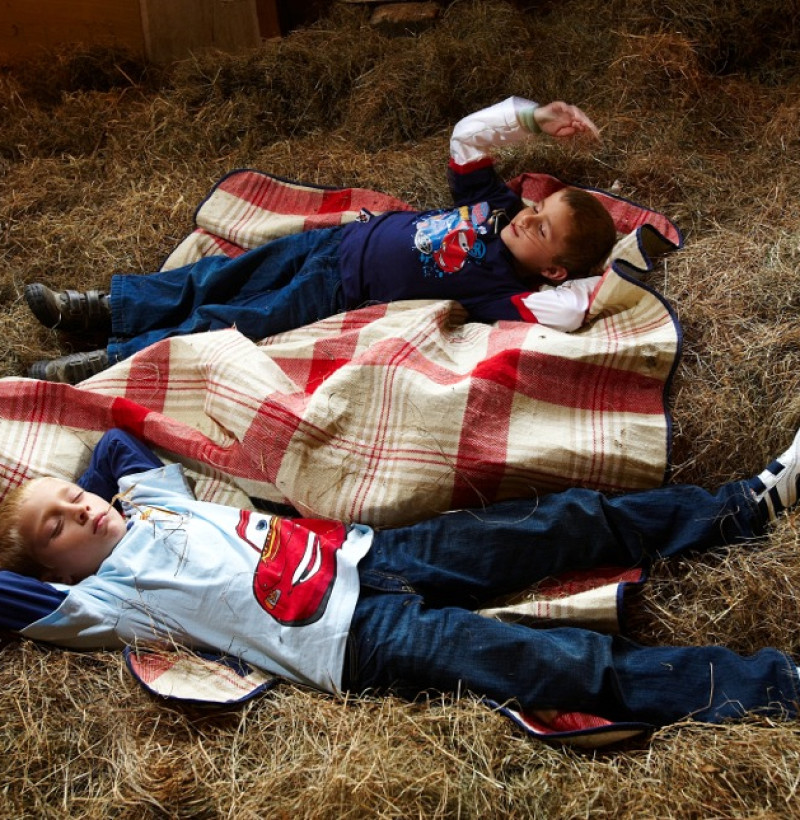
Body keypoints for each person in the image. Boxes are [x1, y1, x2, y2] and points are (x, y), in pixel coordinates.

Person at [1, 426, 800, 731]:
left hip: (372, 554)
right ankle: (775, 687)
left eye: (71, 496)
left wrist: (79, 495)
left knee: (561, 522)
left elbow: (112, 446)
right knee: (555, 666)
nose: (78, 508)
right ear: (49, 571)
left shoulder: (150, 499)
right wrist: (26, 551)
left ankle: (738, 509)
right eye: (56, 527)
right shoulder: (100, 604)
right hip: (359, 643)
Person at [24, 96, 617, 383]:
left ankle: (107, 361)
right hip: (332, 244)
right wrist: (534, 118)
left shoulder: (508, 292)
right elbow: (467, 137)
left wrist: (619, 270)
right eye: (538, 207)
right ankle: (98, 308)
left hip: (334, 293)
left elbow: (572, 310)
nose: (528, 218)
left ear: (555, 270)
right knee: (215, 275)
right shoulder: (495, 204)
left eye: (543, 228)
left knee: (228, 320)